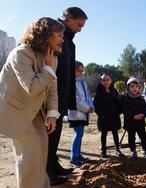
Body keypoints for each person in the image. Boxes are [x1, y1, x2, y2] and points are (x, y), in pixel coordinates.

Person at [0, 17, 64, 188]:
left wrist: (52, 115)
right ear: (46, 35)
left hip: (34, 113)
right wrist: (48, 69)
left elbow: (52, 89)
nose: (62, 39)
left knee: (41, 155)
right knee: (30, 158)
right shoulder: (21, 53)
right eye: (59, 35)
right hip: (15, 113)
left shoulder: (52, 58)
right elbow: (32, 87)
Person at [47, 7, 88, 185]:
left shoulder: (70, 42)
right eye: (78, 24)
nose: (80, 29)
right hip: (50, 94)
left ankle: (54, 165)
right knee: (48, 135)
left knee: (55, 135)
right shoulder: (51, 31)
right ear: (68, 18)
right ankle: (47, 172)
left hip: (62, 97)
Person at [68, 61, 94, 166]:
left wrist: (91, 106)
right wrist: (86, 108)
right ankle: (73, 157)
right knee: (78, 134)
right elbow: (75, 99)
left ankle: (78, 155)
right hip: (76, 114)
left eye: (83, 71)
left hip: (83, 113)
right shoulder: (72, 83)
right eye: (79, 71)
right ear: (73, 71)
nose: (82, 73)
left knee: (80, 134)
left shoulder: (82, 82)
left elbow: (88, 96)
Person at [121, 76, 146, 160]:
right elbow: (125, 110)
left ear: (139, 88)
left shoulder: (141, 99)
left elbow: (145, 109)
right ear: (128, 88)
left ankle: (145, 150)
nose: (134, 88)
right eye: (132, 86)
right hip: (130, 122)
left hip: (140, 122)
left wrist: (143, 114)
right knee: (131, 137)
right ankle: (133, 151)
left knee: (143, 136)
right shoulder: (126, 99)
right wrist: (133, 116)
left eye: (136, 86)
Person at [93, 73, 124, 158]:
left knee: (115, 133)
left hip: (114, 116)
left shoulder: (114, 91)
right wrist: (101, 114)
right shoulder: (98, 92)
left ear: (110, 81)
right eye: (104, 80)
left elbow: (118, 103)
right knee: (104, 134)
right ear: (101, 81)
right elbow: (96, 105)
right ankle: (104, 151)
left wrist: (119, 111)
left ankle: (117, 150)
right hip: (104, 117)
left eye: (107, 80)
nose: (106, 82)